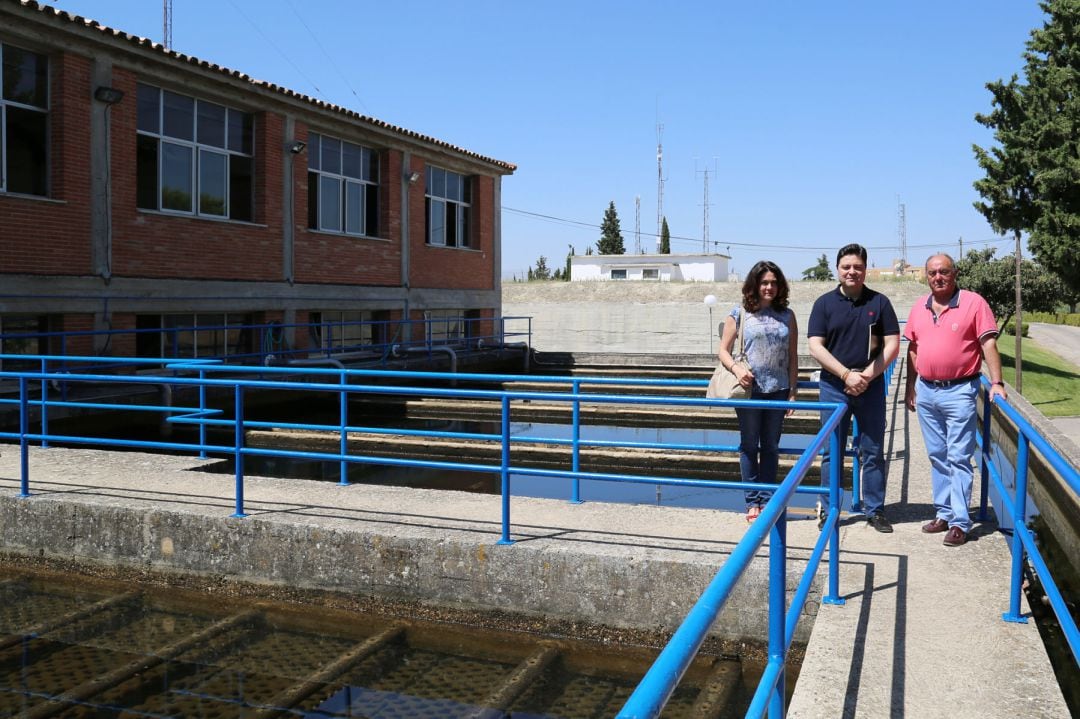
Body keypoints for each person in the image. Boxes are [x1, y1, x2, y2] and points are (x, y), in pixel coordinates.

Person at [903, 253, 1006, 547]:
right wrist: (911, 387)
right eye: (933, 272)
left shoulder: (974, 303)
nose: (938, 277)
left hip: (960, 390)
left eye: (944, 272)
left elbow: (988, 343)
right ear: (926, 276)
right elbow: (913, 348)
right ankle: (944, 513)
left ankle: (961, 521)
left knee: (959, 456)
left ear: (954, 273)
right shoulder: (919, 307)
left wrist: (996, 382)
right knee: (937, 455)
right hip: (926, 390)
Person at [807, 243, 900, 532]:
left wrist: (866, 377)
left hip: (869, 386)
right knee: (831, 451)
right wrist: (847, 375)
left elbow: (892, 344)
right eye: (846, 266)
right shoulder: (824, 304)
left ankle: (875, 510)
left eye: (857, 267)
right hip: (835, 385)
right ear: (838, 269)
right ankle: (829, 509)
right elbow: (815, 346)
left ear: (865, 269)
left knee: (872, 450)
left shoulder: (880, 302)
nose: (852, 271)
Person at [717, 260, 799, 523]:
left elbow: (793, 356)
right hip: (749, 390)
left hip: (778, 389)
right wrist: (737, 370)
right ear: (754, 284)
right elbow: (723, 351)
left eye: (774, 283)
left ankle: (768, 500)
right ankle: (752, 502)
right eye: (764, 282)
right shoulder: (739, 313)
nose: (769, 287)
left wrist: (793, 391)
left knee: (772, 447)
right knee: (750, 445)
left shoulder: (788, 315)